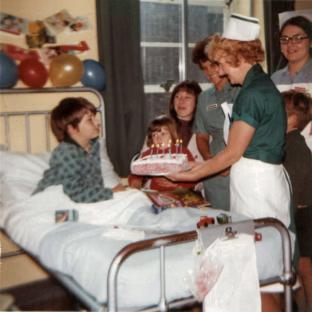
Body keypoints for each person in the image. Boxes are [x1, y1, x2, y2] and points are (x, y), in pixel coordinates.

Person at [167, 14, 291, 311]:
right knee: (256, 268)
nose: (219, 71)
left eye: (220, 63)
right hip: (257, 181)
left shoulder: (252, 93)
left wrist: (187, 175)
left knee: (260, 273)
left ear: (236, 57)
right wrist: (193, 170)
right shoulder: (258, 85)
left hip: (257, 186)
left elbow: (232, 152)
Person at [34, 97, 125, 203]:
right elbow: (74, 193)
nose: (98, 122)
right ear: (71, 129)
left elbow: (94, 182)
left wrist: (107, 194)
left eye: (94, 117)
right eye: (90, 120)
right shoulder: (66, 153)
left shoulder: (93, 146)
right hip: (50, 200)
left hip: (76, 199)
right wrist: (111, 192)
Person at [191, 35, 239, 211]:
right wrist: (211, 161)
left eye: (212, 65)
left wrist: (228, 164)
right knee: (220, 223)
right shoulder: (204, 98)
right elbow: (202, 136)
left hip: (241, 164)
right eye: (204, 68)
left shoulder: (241, 91)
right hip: (215, 172)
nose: (209, 72)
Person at [282, 90, 312, 312]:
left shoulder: (293, 145)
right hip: (299, 212)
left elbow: (298, 187)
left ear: (292, 118)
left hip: (302, 214)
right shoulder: (290, 142)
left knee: (304, 266)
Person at [271, 15, 312, 151]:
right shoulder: (274, 79)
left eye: (298, 38)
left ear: (310, 41)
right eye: (285, 39)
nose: (290, 44)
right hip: (283, 150)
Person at [128, 115, 196, 192]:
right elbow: (136, 172)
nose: (158, 138)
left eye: (163, 134)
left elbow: (194, 176)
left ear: (172, 134)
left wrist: (178, 183)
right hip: (157, 193)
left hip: (180, 193)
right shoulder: (149, 155)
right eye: (154, 135)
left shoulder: (183, 153)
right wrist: (136, 181)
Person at [168, 80, 203, 161]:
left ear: (197, 102)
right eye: (177, 96)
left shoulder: (206, 129)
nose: (181, 101)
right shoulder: (161, 125)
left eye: (187, 97)